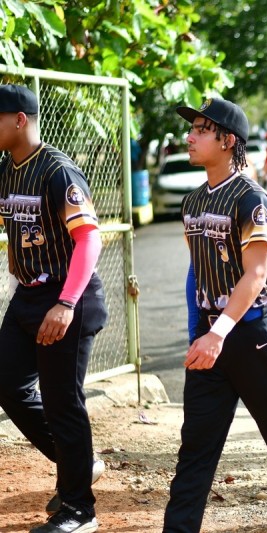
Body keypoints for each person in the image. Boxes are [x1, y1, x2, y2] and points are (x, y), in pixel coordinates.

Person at [165, 97, 267, 533]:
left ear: (228, 140)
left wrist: (217, 333)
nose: (190, 137)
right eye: (192, 129)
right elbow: (197, 272)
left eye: (200, 130)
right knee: (195, 446)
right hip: (210, 337)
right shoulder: (193, 201)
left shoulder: (252, 199)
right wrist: (198, 333)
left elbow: (255, 274)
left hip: (252, 335)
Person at [0, 84, 108, 533]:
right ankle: (79, 463)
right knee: (7, 382)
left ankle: (80, 510)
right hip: (28, 296)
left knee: (63, 402)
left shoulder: (58, 171)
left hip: (69, 297)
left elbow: (90, 238)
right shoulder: (7, 169)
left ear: (19, 119)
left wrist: (65, 303)